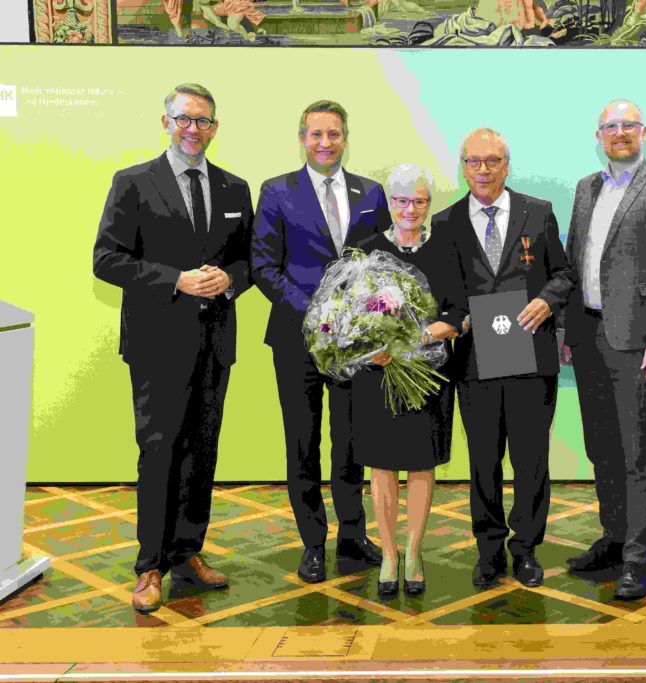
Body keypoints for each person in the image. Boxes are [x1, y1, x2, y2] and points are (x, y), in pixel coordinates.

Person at [93, 83, 252, 613]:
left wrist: (225, 280)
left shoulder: (234, 188)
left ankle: (188, 552)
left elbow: (250, 262)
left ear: (214, 128)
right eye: (184, 118)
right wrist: (175, 279)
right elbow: (107, 260)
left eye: (203, 121)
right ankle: (149, 566)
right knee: (159, 453)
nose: (193, 129)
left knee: (202, 453)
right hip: (157, 346)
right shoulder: (133, 183)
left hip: (214, 344)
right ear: (165, 122)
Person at [251, 100, 391, 584]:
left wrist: (363, 314)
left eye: (333, 134)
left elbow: (382, 265)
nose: (325, 142)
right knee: (302, 442)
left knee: (351, 442)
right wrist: (317, 311)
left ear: (345, 138)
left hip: (355, 344)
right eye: (316, 134)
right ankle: (313, 542)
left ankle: (353, 535)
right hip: (296, 337)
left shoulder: (371, 192)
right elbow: (263, 266)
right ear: (302, 138)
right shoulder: (276, 191)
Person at [431, 128, 576, 589]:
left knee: (532, 460)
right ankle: (488, 549)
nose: (483, 170)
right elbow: (443, 294)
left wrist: (549, 300)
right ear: (463, 167)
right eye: (474, 162)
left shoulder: (539, 212)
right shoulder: (446, 222)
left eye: (492, 161)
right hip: (475, 362)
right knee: (483, 461)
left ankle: (527, 548)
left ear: (506, 165)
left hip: (532, 356)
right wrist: (456, 318)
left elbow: (565, 274)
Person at [562, 100, 646, 600]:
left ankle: (637, 559)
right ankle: (613, 539)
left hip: (637, 340)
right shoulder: (586, 188)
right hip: (590, 337)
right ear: (599, 135)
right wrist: (567, 333)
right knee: (602, 449)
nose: (620, 133)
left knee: (638, 452)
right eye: (611, 127)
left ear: (644, 131)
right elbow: (575, 262)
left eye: (628, 126)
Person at [351, 164, 467, 598]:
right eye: (401, 200)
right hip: (378, 375)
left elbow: (458, 313)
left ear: (428, 205)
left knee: (421, 464)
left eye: (419, 200)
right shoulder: (365, 251)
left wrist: (422, 335)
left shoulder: (446, 250)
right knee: (380, 465)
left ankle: (415, 550)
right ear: (390, 203)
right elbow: (348, 318)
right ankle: (389, 553)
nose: (410, 208)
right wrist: (373, 345)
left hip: (428, 375)